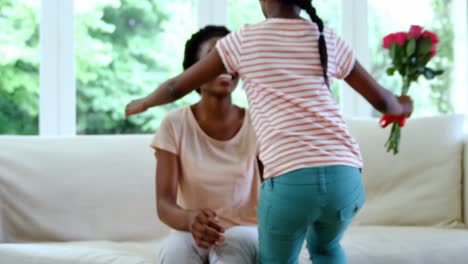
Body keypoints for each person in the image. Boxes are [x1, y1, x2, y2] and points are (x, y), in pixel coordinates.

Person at [125, 1, 414, 263]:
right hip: (347, 175)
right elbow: (382, 101)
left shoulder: (244, 40)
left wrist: (144, 102)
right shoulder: (326, 36)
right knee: (327, 249)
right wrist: (403, 105)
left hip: (291, 179)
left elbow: (177, 87)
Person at [127, 26, 260, 263]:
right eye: (214, 57)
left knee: (232, 246)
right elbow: (164, 204)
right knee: (175, 250)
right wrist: (190, 220)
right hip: (190, 231)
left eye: (231, 57)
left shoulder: (258, 122)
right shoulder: (174, 124)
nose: (225, 65)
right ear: (194, 71)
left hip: (246, 231)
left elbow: (276, 193)